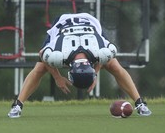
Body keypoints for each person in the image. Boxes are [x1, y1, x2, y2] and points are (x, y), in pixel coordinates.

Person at [8, 12, 151, 118]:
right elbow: (42, 54)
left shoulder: (98, 52)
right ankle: (17, 105)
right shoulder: (58, 54)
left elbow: (104, 56)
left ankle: (140, 103)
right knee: (40, 68)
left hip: (90, 24)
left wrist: (95, 72)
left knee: (113, 65)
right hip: (62, 24)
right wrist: (57, 77)